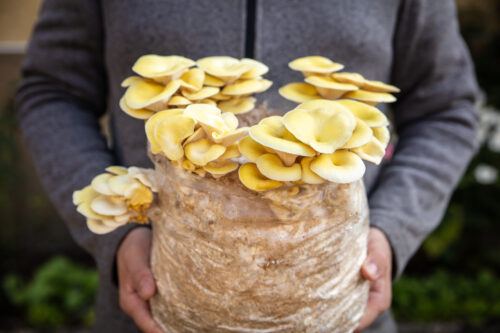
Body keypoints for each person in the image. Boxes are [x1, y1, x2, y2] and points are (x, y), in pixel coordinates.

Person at [16, 1, 479, 332]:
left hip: (336, 308)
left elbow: (447, 108)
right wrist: (117, 238)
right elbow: (53, 91)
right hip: (159, 302)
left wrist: (391, 231)